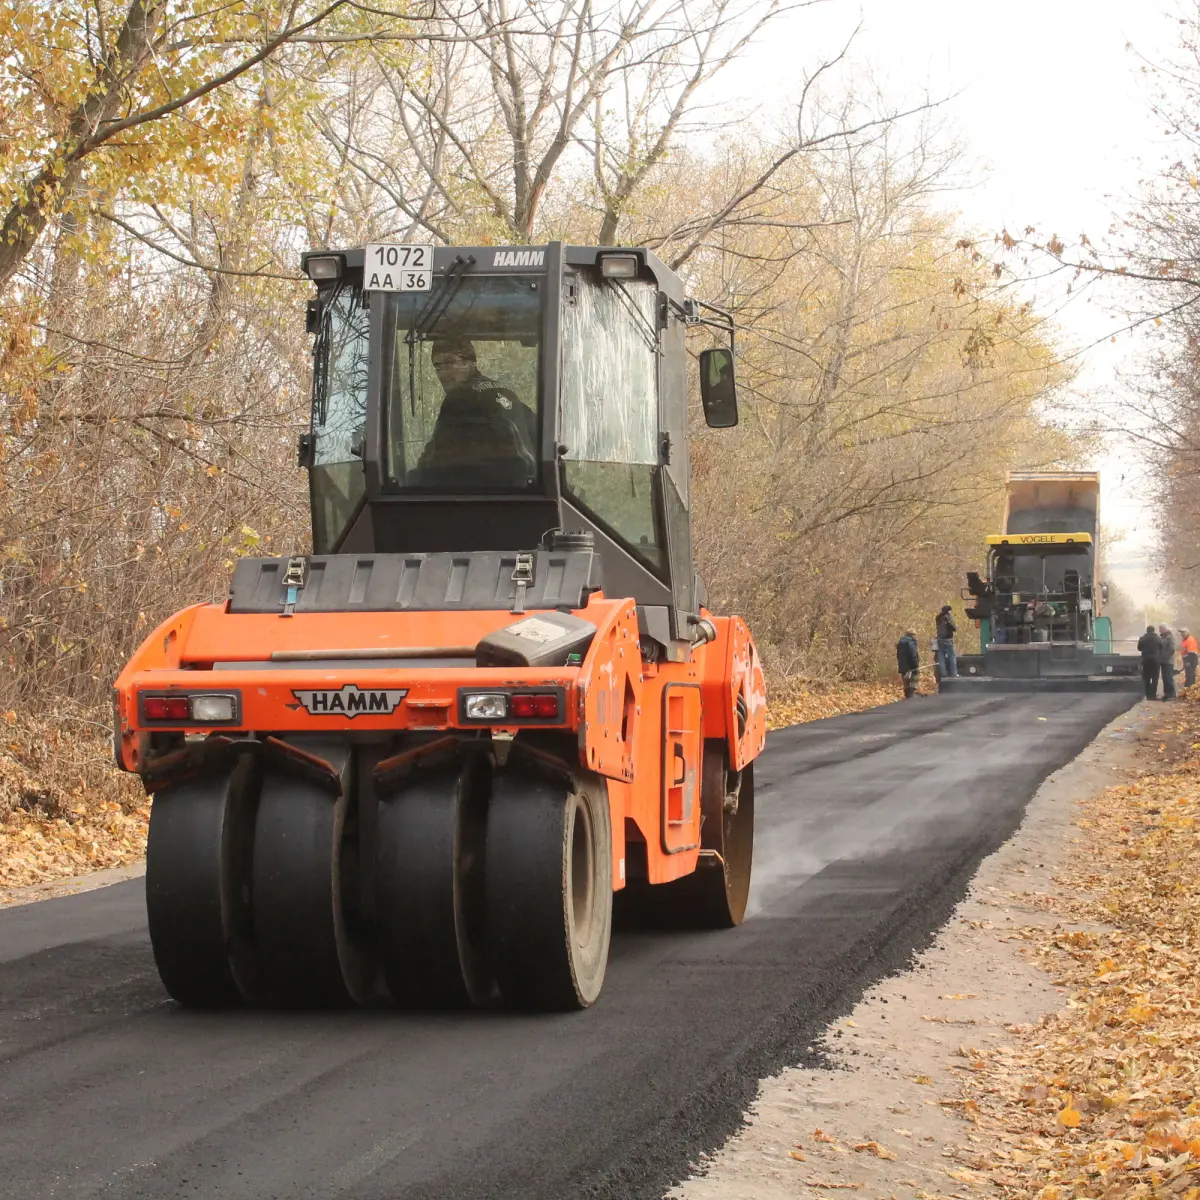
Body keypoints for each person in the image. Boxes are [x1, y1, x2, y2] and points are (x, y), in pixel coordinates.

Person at [416, 338, 537, 485]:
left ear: (471, 363)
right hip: (520, 488)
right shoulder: (506, 393)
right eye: (438, 366)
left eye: (450, 363)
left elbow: (436, 458)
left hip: (482, 492)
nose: (443, 374)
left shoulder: (459, 399)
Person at [1137, 624, 1162, 701]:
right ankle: (1153, 695)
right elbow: (1161, 647)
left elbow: (1139, 648)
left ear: (1147, 631)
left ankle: (1147, 694)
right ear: (1154, 631)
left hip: (1146, 660)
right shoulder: (1158, 638)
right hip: (1155, 660)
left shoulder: (1142, 638)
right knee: (1155, 677)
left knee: (1146, 677)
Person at [935, 604, 958, 678]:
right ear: (948, 611)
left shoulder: (938, 618)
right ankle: (954, 673)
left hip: (940, 640)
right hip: (948, 640)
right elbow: (954, 628)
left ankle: (944, 674)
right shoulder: (947, 618)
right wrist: (950, 620)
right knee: (952, 656)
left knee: (941, 657)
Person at [896, 630, 920, 698]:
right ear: (912, 635)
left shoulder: (900, 643)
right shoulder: (911, 643)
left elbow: (898, 655)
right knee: (914, 679)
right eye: (914, 635)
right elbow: (913, 656)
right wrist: (916, 666)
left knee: (905, 682)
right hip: (911, 667)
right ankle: (912, 695)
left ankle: (907, 696)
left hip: (903, 667)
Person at [1159, 624, 1178, 701]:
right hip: (1163, 661)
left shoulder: (1170, 637)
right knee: (1165, 678)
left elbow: (1172, 649)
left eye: (1160, 629)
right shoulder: (1163, 637)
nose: (1159, 630)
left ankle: (1172, 695)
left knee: (1168, 678)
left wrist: (1165, 657)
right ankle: (1167, 694)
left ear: (1164, 629)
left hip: (1168, 661)